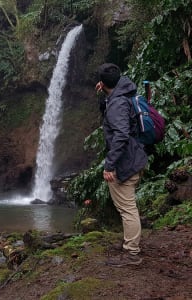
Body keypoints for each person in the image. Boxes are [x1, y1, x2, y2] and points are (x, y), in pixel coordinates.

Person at [95, 63, 148, 267]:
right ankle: (129, 244)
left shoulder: (117, 103)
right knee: (128, 206)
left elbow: (121, 135)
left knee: (127, 208)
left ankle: (132, 253)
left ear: (102, 82)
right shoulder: (122, 92)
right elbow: (113, 118)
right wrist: (104, 96)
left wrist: (109, 165)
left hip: (126, 162)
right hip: (135, 156)